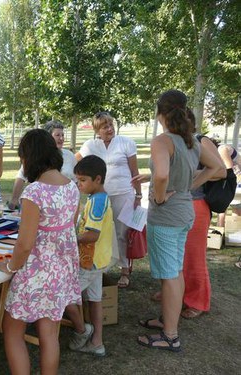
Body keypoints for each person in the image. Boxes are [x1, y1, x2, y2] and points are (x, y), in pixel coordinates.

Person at [133, 90, 221, 352]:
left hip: (167, 216)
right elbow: (217, 167)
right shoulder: (192, 140)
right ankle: (167, 320)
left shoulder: (163, 140)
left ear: (160, 112)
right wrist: (189, 184)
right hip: (185, 214)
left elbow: (161, 175)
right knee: (175, 271)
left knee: (170, 274)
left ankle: (170, 335)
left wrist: (159, 197)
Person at [0, 129, 80, 374]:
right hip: (60, 271)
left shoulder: (34, 191)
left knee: (11, 330)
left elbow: (24, 244)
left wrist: (10, 267)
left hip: (36, 273)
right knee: (49, 335)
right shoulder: (72, 187)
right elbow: (67, 229)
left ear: (29, 157)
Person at [149, 110, 226, 318]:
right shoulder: (179, 142)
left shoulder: (199, 140)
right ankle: (177, 297)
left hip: (195, 204)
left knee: (193, 258)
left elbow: (220, 170)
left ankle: (197, 301)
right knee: (178, 261)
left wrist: (189, 181)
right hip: (182, 205)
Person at [76, 112, 141, 288]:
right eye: (105, 126)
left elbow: (135, 172)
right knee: (100, 232)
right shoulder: (90, 145)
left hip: (123, 194)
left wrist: (138, 195)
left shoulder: (126, 143)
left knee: (122, 233)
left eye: (111, 125)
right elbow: (75, 165)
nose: (110, 129)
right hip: (100, 196)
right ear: (97, 130)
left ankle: (125, 270)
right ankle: (101, 265)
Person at [64, 155, 114, 357]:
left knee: (65, 295)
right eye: (78, 180)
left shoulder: (96, 203)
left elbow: (92, 235)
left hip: (89, 262)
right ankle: (97, 342)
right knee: (95, 300)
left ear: (98, 179)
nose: (79, 184)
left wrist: (70, 239)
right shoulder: (99, 198)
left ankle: (83, 331)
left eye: (83, 180)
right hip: (97, 261)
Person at [8, 120, 77, 209]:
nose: (61, 138)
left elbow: (76, 181)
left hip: (66, 205)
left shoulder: (70, 156)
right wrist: (14, 199)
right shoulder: (37, 158)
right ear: (48, 138)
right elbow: (21, 177)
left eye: (62, 135)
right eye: (57, 135)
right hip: (44, 205)